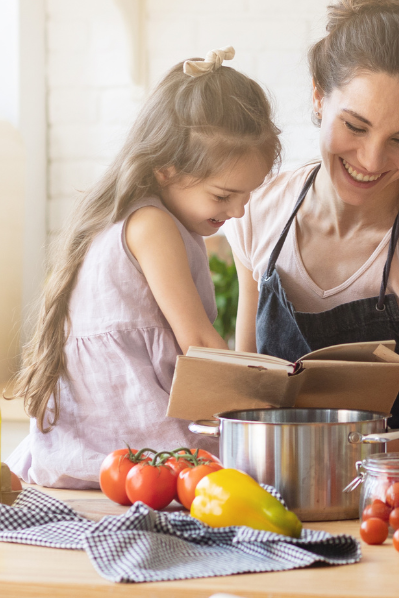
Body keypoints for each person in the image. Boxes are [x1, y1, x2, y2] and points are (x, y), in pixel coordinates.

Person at [227, 0, 399, 456]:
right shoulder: (257, 212)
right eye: (355, 126)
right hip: (266, 497)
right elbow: (248, 397)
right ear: (319, 98)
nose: (371, 159)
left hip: (387, 506)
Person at [8, 48, 279, 488]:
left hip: (100, 434)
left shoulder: (143, 215)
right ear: (166, 170)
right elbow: (196, 341)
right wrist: (256, 404)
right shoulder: (152, 225)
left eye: (247, 196)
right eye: (223, 195)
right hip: (129, 430)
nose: (238, 211)